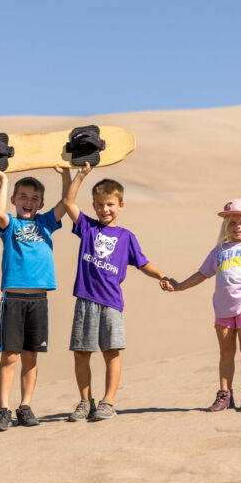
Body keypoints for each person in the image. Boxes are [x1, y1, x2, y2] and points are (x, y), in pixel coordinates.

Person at [60, 163, 169, 421]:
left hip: (111, 303)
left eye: (110, 204)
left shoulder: (126, 236)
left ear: (120, 205)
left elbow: (142, 263)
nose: (104, 209)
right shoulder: (87, 228)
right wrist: (79, 175)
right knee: (81, 352)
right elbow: (67, 202)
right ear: (94, 206)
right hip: (86, 300)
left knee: (111, 352)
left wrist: (162, 276)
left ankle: (108, 402)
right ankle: (85, 401)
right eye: (99, 204)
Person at [162, 199, 241, 411]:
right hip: (222, 307)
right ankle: (224, 395)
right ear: (226, 227)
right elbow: (202, 274)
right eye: (232, 222)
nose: (238, 226)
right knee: (226, 351)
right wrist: (180, 286)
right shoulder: (219, 251)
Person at [0, 162, 69, 432]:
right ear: (14, 200)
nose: (29, 202)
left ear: (41, 203)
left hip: (39, 301)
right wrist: (3, 180)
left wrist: (68, 175)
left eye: (34, 198)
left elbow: (67, 204)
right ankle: (2, 409)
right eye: (23, 197)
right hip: (13, 299)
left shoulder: (46, 223)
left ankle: (25, 406)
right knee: (10, 356)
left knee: (31, 357)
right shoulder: (10, 224)